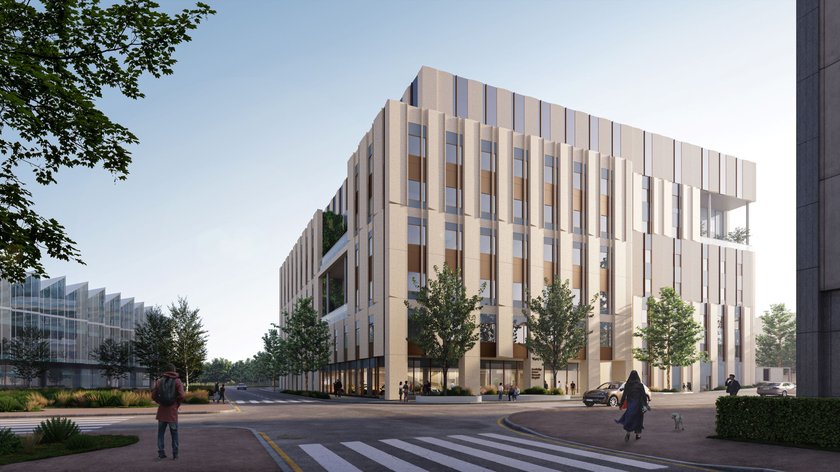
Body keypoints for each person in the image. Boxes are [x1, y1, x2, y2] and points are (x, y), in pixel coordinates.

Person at [152, 364, 185, 460]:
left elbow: (153, 396)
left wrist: (160, 401)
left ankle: (161, 453)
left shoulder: (159, 381)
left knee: (160, 434)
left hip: (162, 411)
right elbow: (182, 395)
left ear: (165, 371)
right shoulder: (177, 381)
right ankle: (175, 454)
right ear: (174, 371)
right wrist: (176, 404)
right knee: (174, 433)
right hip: (172, 412)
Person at [615, 370, 649, 442]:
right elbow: (643, 395)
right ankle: (638, 434)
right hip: (639, 405)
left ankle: (628, 432)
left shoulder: (628, 385)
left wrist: (621, 404)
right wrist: (646, 404)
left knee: (630, 418)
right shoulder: (640, 385)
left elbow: (624, 395)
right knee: (638, 420)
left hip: (631, 405)